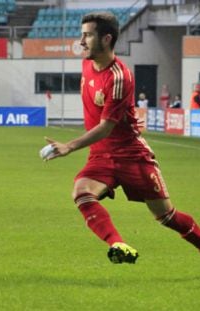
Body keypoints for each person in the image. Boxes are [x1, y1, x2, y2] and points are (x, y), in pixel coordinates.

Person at [43, 11, 200, 264]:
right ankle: (118, 244)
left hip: (131, 156)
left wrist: (69, 146)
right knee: (81, 192)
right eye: (81, 35)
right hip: (101, 154)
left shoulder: (119, 77)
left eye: (87, 35)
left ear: (106, 39)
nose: (81, 41)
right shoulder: (86, 64)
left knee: (166, 217)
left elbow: (106, 127)